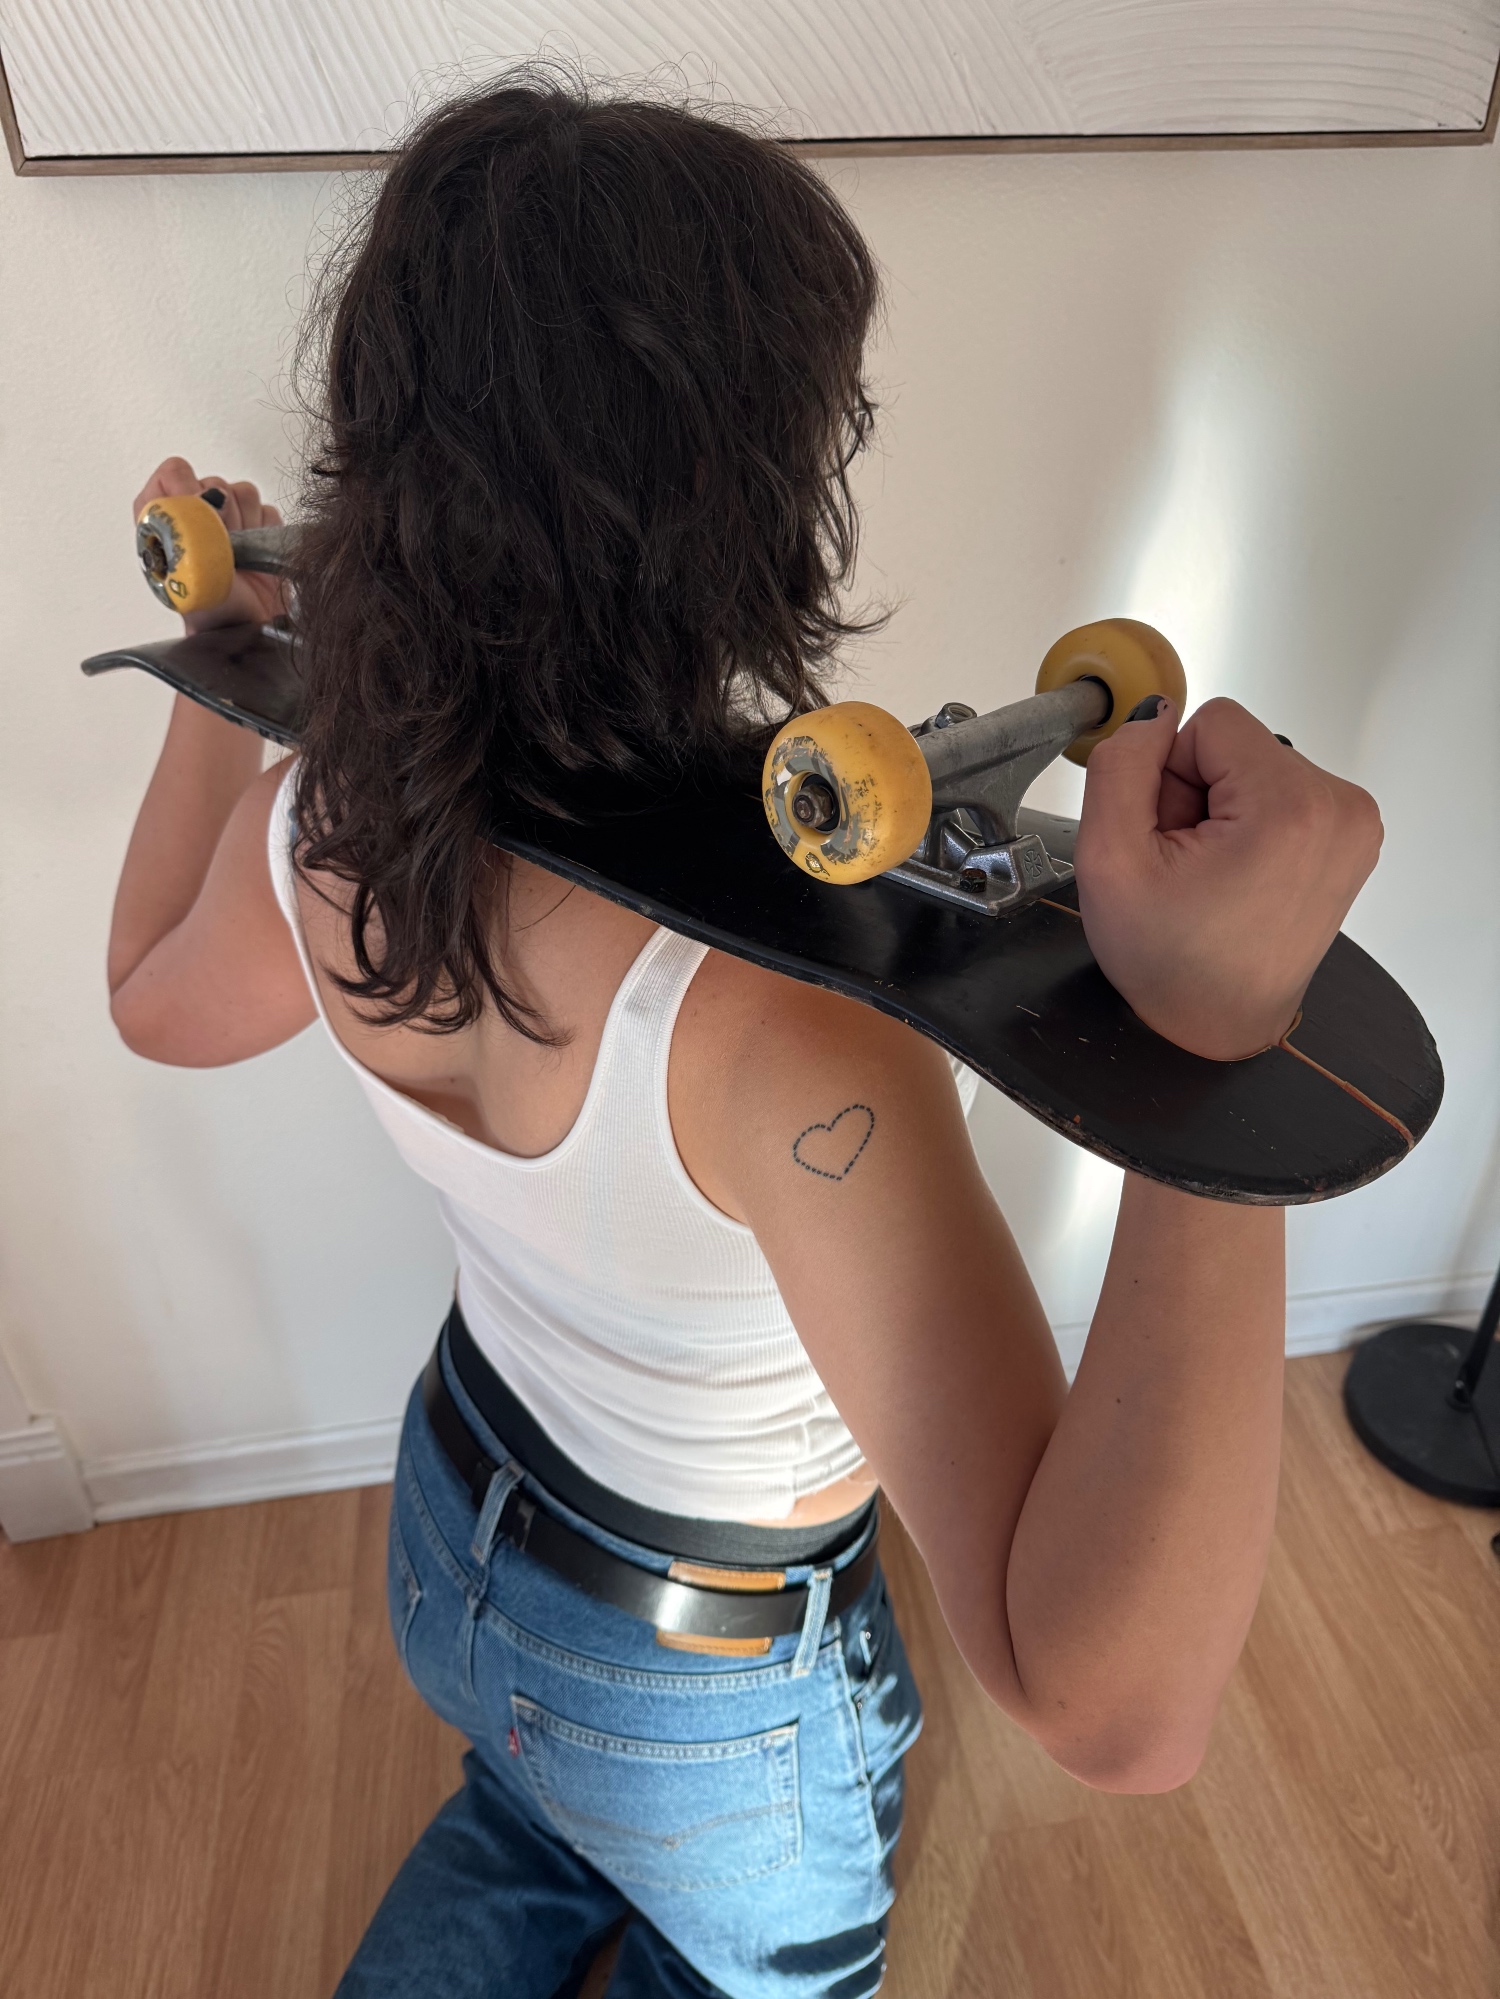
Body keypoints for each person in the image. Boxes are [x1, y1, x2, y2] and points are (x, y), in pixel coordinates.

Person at [105, 75, 1382, 1999]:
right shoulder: (783, 1037)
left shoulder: (323, 831)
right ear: (754, 507)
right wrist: (1219, 1051)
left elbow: (151, 1000)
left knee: (536, 1809)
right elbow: (1117, 1714)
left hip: (454, 1530)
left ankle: (546, 1825)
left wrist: (231, 666)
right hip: (697, 1688)